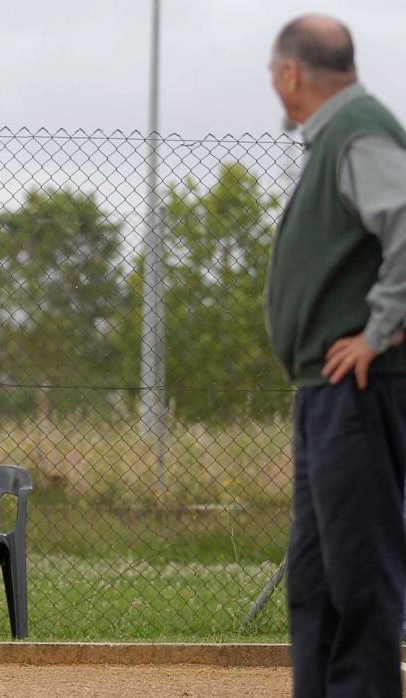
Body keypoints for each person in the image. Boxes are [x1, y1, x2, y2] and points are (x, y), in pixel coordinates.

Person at [265, 15, 406, 696]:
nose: (275, 86)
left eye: (274, 75)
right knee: (317, 583)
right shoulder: (335, 140)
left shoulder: (358, 132)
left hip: (358, 389)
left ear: (292, 72)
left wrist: (380, 329)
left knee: (358, 581)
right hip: (325, 394)